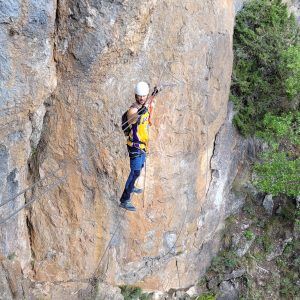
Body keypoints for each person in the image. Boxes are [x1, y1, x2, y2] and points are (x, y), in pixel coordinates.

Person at [119, 81, 155, 211]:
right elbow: (132, 118)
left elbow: (148, 101)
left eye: (143, 96)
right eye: (139, 96)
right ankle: (124, 199)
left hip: (142, 145)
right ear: (135, 96)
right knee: (134, 172)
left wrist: (153, 95)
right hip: (135, 146)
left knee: (139, 168)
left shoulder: (145, 103)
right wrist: (139, 113)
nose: (141, 98)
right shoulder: (133, 109)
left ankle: (131, 185)